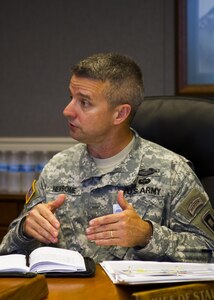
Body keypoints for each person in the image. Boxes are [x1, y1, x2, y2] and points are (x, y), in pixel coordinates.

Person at [0, 53, 213, 263]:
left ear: (119, 114)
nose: (67, 111)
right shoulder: (57, 168)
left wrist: (147, 235)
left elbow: (208, 252)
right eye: (71, 98)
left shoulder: (172, 171)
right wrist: (25, 230)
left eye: (84, 102)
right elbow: (6, 252)